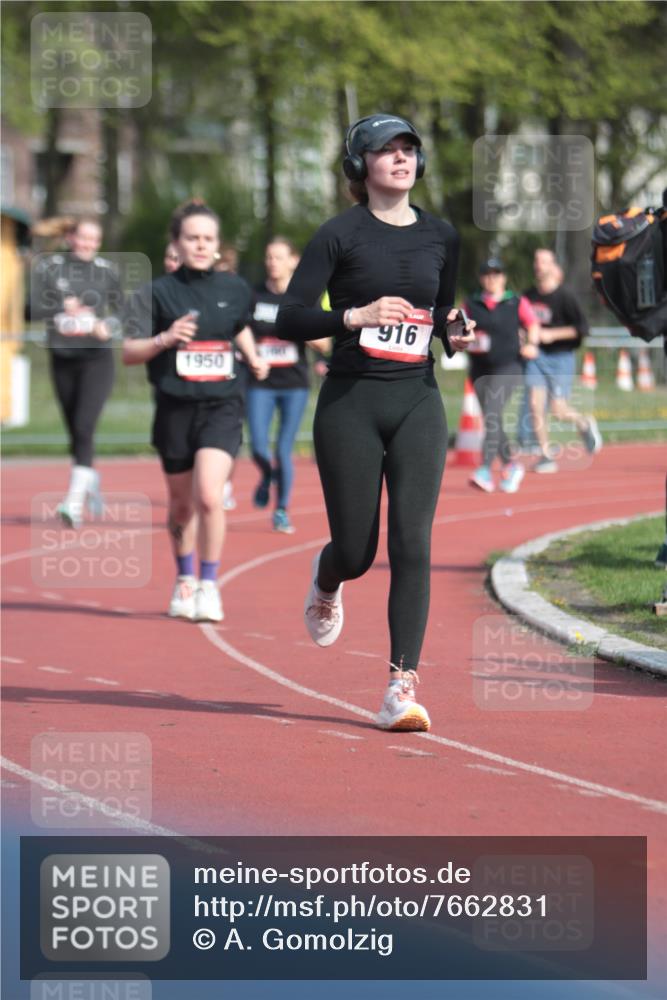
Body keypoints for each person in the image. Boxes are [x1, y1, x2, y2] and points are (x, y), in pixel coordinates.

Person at [276, 113, 474, 732]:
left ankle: (400, 686)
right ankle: (327, 577)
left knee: (413, 541)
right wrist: (353, 317)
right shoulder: (338, 234)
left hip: (417, 400)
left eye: (409, 148)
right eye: (386, 149)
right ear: (359, 165)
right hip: (351, 404)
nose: (401, 157)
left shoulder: (442, 236)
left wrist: (454, 332)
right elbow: (289, 317)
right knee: (358, 553)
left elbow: (441, 313)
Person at [123, 199, 269, 622]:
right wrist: (165, 339)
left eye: (208, 238)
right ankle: (184, 578)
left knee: (209, 495)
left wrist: (253, 356)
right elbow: (129, 352)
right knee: (181, 505)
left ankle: (209, 584)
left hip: (222, 405)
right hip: (175, 408)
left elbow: (239, 326)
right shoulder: (157, 293)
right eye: (192, 238)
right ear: (177, 243)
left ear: (217, 243)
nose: (201, 245)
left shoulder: (234, 288)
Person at [30, 216, 120, 527]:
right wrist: (60, 307)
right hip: (62, 358)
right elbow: (30, 308)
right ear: (70, 238)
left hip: (97, 360)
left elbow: (125, 310)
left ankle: (73, 502)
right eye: (83, 238)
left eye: (94, 240)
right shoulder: (50, 268)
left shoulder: (107, 271)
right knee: (75, 431)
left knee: (84, 425)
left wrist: (107, 326)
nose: (88, 245)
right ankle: (88, 477)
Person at [248, 237, 330, 533]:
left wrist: (301, 328)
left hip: (294, 384)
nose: (273, 263)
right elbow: (241, 330)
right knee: (258, 446)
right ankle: (266, 475)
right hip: (260, 382)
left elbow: (324, 343)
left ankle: (281, 509)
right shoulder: (254, 295)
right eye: (269, 257)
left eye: (279, 257)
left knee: (283, 449)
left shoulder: (303, 297)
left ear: (293, 261)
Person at [464, 257, 541, 493]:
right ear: (481, 278)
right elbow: (460, 327)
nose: (492, 278)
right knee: (492, 417)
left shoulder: (516, 302)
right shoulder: (471, 303)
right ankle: (511, 465)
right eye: (487, 274)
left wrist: (532, 344)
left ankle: (485, 470)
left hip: (509, 365)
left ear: (503, 277)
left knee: (492, 411)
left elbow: (532, 324)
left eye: (496, 274)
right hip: (479, 367)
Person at [524, 249, 602, 472]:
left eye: (543, 261)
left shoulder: (565, 296)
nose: (539, 265)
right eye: (536, 261)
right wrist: (524, 338)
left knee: (558, 409)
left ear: (553, 266)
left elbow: (583, 329)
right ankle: (546, 456)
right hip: (537, 357)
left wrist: (552, 334)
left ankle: (583, 423)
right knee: (535, 405)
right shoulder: (528, 296)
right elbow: (520, 322)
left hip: (561, 358)